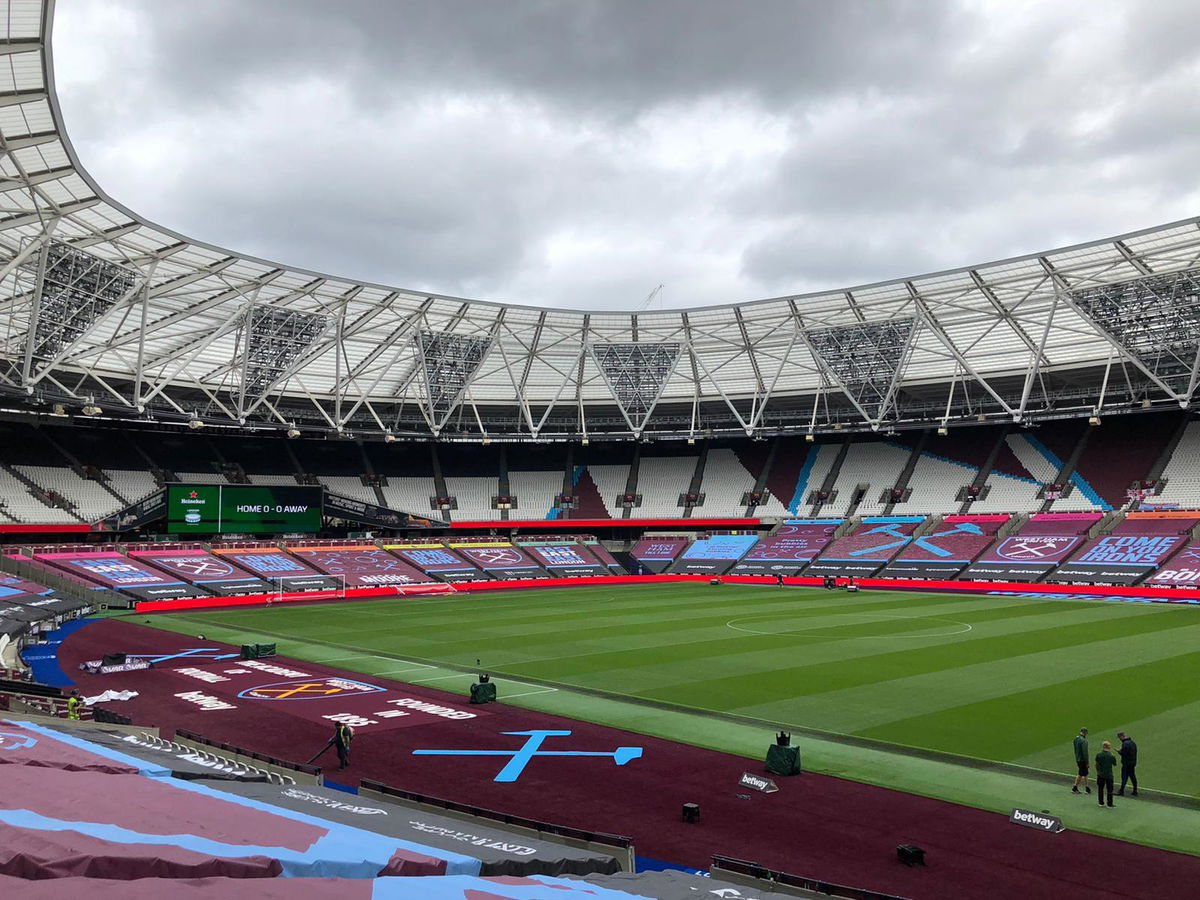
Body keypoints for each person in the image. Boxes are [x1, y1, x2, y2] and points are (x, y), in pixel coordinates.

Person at [1095, 740, 1117, 807]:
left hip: (1100, 774)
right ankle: (1109, 804)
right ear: (1108, 747)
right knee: (1110, 789)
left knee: (1100, 789)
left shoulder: (1098, 755)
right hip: (1109, 775)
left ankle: (1101, 802)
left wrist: (1098, 771)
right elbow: (1115, 764)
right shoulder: (1111, 756)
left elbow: (1096, 764)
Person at [1116, 732, 1138, 796]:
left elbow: (1123, 753)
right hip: (1133, 762)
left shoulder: (1125, 744)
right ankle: (1135, 790)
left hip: (1126, 763)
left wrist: (1119, 751)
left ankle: (1121, 791)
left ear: (1121, 737)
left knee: (1124, 777)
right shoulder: (1132, 742)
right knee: (1132, 776)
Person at [1071, 727, 1091, 794]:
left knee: (1083, 773)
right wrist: (1087, 762)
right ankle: (1076, 787)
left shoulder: (1076, 739)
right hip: (1082, 760)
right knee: (1082, 773)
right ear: (1085, 732)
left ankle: (1086, 787)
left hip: (1078, 758)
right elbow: (1085, 752)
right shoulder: (1083, 741)